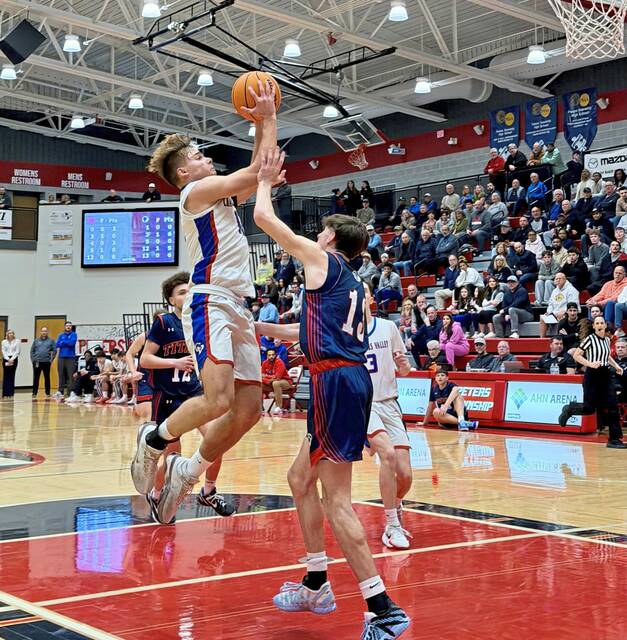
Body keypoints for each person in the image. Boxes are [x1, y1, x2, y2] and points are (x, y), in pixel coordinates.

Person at [253, 149, 410, 637]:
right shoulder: (352, 284)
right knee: (299, 477)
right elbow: (307, 331)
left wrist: (263, 181)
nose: (313, 235)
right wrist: (255, 325)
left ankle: (382, 608)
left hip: (335, 382)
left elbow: (262, 217)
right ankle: (316, 579)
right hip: (342, 378)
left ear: (331, 238)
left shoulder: (322, 261)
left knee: (336, 497)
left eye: (320, 231)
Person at [130, 80, 277, 524]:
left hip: (238, 303)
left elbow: (254, 171)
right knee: (216, 400)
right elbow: (257, 174)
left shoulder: (218, 193)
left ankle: (187, 470)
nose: (205, 157)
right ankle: (155, 439)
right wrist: (267, 118)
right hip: (210, 299)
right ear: (184, 175)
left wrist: (258, 127)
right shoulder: (193, 195)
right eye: (196, 156)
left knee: (248, 410)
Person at [140, 272, 233, 522]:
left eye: (189, 291)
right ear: (171, 300)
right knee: (172, 459)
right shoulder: (163, 322)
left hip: (195, 394)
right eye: (181, 292)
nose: (187, 295)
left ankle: (209, 491)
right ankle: (158, 493)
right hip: (168, 397)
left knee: (217, 439)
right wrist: (175, 362)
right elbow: (145, 359)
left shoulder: (200, 322)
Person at [363, 291, 413, 549]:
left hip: (390, 404)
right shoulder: (346, 331)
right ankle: (391, 524)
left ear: (370, 297)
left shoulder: (388, 327)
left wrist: (404, 364)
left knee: (405, 474)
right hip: (364, 405)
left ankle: (394, 503)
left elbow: (404, 369)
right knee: (388, 455)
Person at [558, 316, 625, 448]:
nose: (599, 325)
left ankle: (614, 439)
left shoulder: (607, 339)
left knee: (612, 406)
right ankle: (570, 409)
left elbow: (607, 356)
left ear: (605, 325)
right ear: (594, 326)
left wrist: (617, 366)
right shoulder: (589, 339)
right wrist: (590, 364)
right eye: (597, 323)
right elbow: (577, 355)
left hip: (605, 374)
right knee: (589, 409)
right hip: (592, 376)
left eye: (601, 323)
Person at [491, 275, 532, 339]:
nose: (510, 284)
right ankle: (499, 336)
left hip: (527, 314)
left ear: (517, 283)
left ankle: (514, 332)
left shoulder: (522, 291)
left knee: (512, 309)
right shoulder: (507, 293)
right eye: (509, 282)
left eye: (513, 282)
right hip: (511, 313)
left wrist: (506, 311)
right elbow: (503, 306)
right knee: (496, 317)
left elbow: (517, 304)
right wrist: (506, 313)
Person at [539, 273, 580, 338]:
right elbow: (551, 304)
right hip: (554, 313)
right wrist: (548, 312)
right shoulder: (554, 291)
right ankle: (542, 339)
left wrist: (564, 311)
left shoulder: (572, 290)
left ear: (564, 279)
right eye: (556, 279)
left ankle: (559, 339)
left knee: (562, 316)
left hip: (566, 313)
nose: (558, 280)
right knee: (543, 318)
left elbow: (573, 306)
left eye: (560, 279)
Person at [261, 347, 293, 414]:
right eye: (269, 355)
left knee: (276, 383)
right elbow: (261, 376)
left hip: (286, 381)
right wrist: (268, 380)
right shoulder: (264, 363)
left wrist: (266, 377)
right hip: (271, 383)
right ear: (267, 356)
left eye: (273, 355)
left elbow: (277, 377)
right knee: (259, 384)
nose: (271, 356)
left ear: (275, 355)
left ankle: (278, 407)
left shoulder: (279, 362)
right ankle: (260, 407)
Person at [30, 326, 55, 398]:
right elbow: (32, 351)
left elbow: (54, 350)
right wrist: (33, 360)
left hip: (46, 362)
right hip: (37, 362)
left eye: (45, 331)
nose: (44, 332)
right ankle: (34, 393)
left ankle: (47, 393)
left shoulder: (51, 341)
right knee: (36, 377)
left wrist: (51, 359)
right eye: (43, 331)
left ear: (47, 332)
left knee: (47, 377)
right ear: (41, 332)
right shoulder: (36, 341)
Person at [54, 322, 77, 399]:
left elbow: (72, 343)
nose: (68, 327)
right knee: (61, 374)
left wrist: (63, 342)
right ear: (64, 327)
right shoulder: (61, 335)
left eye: (70, 326)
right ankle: (60, 391)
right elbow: (57, 345)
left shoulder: (74, 334)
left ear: (71, 327)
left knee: (70, 375)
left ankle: (71, 392)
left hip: (71, 357)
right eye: (67, 326)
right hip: (61, 357)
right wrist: (65, 342)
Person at [1, 330, 19, 399]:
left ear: (13, 334)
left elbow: (17, 351)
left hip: (14, 359)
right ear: (7, 334)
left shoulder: (17, 341)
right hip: (6, 359)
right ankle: (5, 393)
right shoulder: (4, 342)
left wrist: (12, 359)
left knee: (12, 376)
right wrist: (8, 359)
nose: (10, 334)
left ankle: (11, 393)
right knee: (6, 376)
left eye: (11, 333)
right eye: (9, 333)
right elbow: (3, 351)